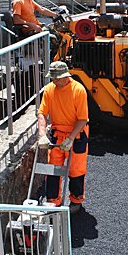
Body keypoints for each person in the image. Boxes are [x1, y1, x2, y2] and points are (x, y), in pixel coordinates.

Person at [37, 61, 89, 213]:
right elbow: (42, 113)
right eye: (52, 78)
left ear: (66, 76)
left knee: (76, 170)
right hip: (57, 133)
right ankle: (53, 201)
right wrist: (42, 134)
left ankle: (76, 200)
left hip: (77, 134)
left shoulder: (78, 91)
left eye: (57, 78)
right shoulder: (49, 90)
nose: (54, 81)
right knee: (53, 168)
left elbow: (82, 119)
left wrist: (71, 138)